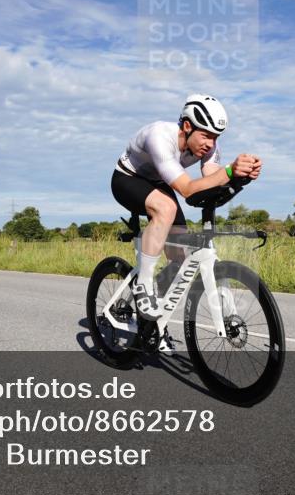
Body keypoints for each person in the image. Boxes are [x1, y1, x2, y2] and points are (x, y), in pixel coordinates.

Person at [111, 94, 262, 330]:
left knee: (179, 258)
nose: (210, 143)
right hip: (127, 179)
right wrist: (230, 171)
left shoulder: (208, 145)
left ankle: (152, 327)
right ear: (188, 126)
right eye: (206, 136)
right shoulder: (159, 136)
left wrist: (241, 176)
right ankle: (144, 284)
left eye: (215, 137)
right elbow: (187, 189)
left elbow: (211, 178)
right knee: (166, 208)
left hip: (158, 183)